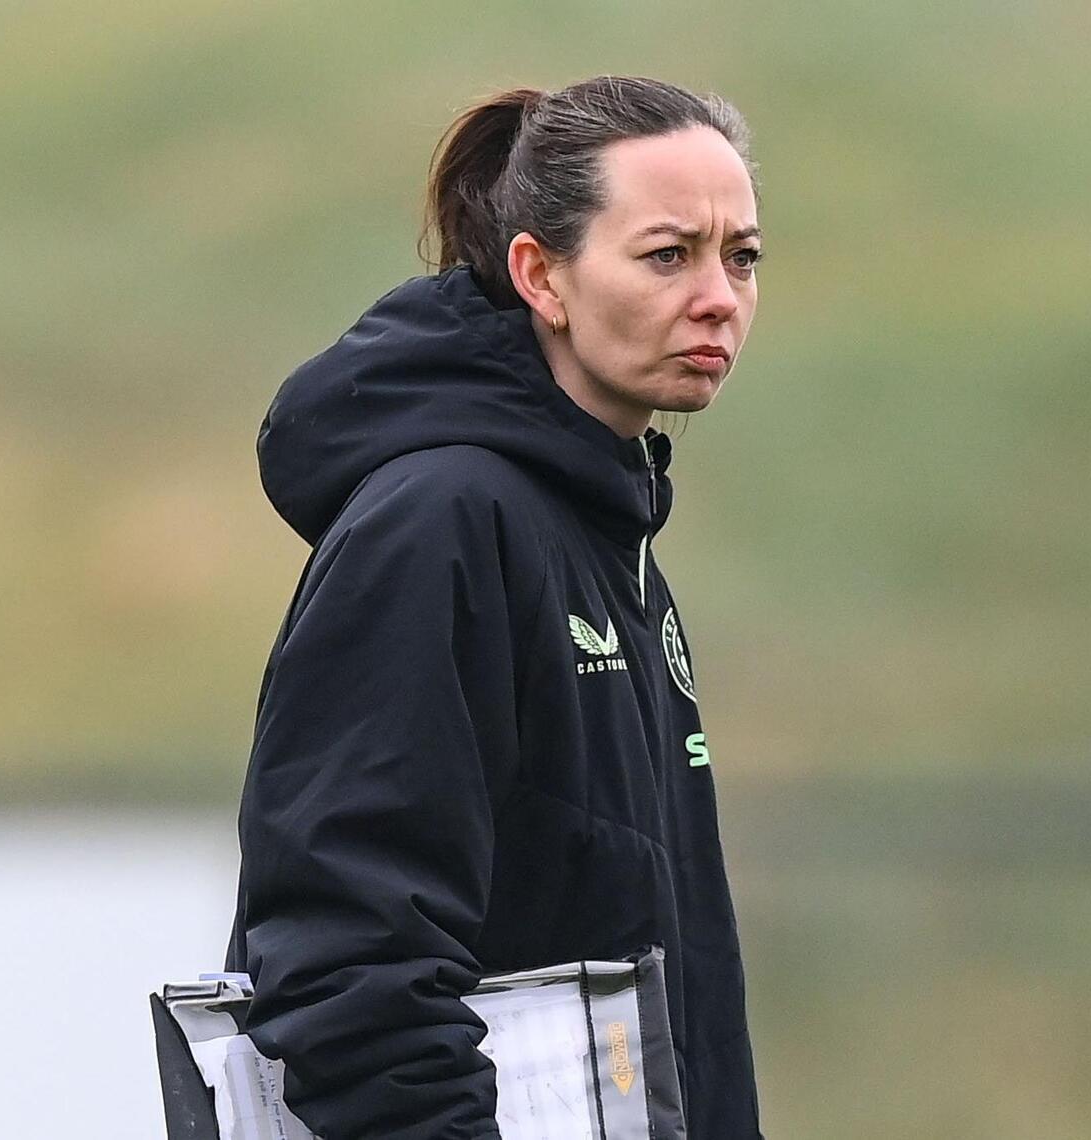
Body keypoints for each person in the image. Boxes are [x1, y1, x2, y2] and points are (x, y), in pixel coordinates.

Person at [224, 75, 765, 1139]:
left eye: (739, 256)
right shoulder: (440, 524)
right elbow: (347, 970)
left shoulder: (607, 532)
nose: (718, 296)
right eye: (668, 255)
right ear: (540, 276)